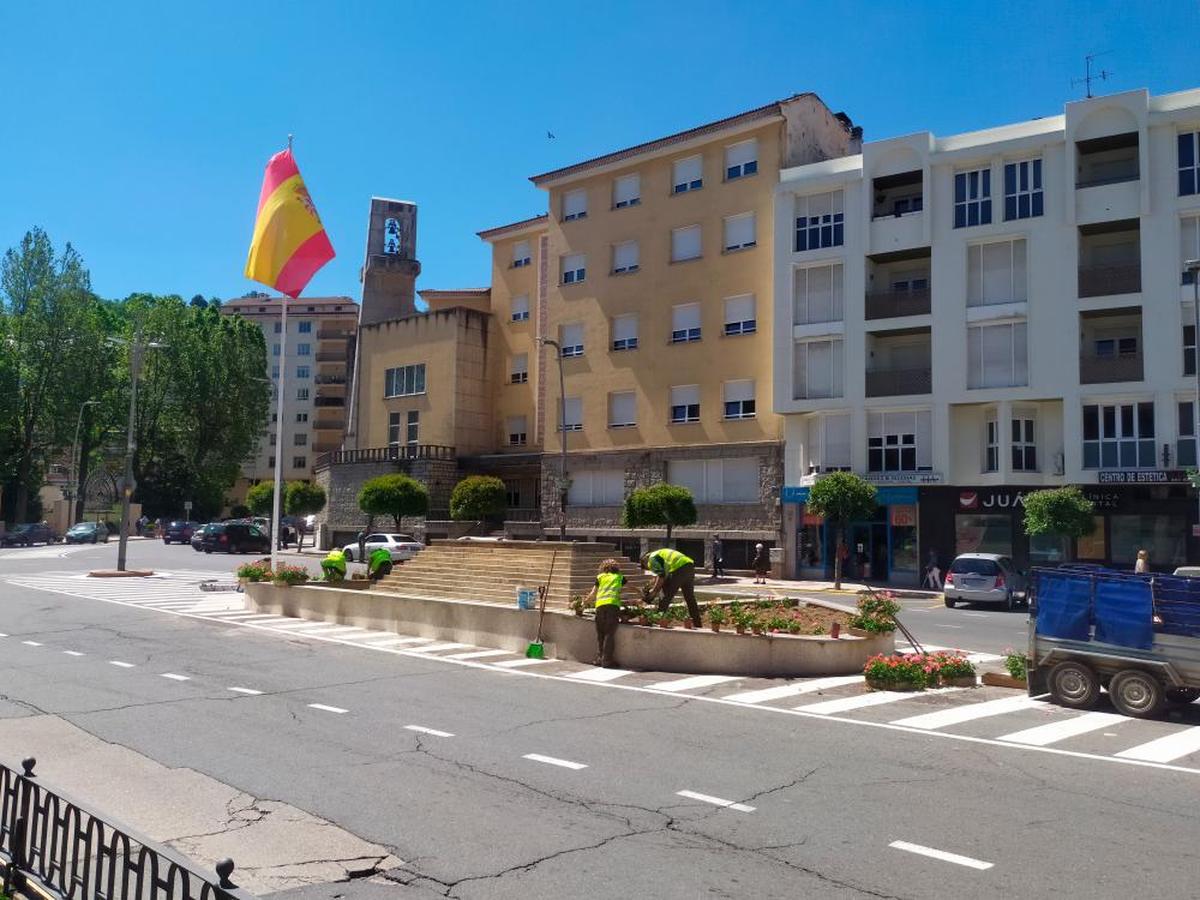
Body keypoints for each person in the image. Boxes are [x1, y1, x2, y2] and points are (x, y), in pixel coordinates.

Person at [640, 548, 701, 627]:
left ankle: (658, 620)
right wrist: (653, 585)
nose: (650, 568)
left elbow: (661, 576)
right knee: (690, 598)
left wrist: (654, 591)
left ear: (645, 560)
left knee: (665, 596)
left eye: (647, 567)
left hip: (678, 569)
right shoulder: (660, 553)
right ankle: (697, 623)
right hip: (689, 567)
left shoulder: (652, 559)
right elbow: (664, 576)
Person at [583, 558, 627, 667]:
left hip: (600, 606)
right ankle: (607, 661)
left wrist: (584, 603)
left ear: (603, 568)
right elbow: (628, 588)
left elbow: (593, 593)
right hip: (612, 606)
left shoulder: (600, 577)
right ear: (616, 568)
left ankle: (599, 658)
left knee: (600, 634)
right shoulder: (619, 577)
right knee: (609, 634)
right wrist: (639, 592)